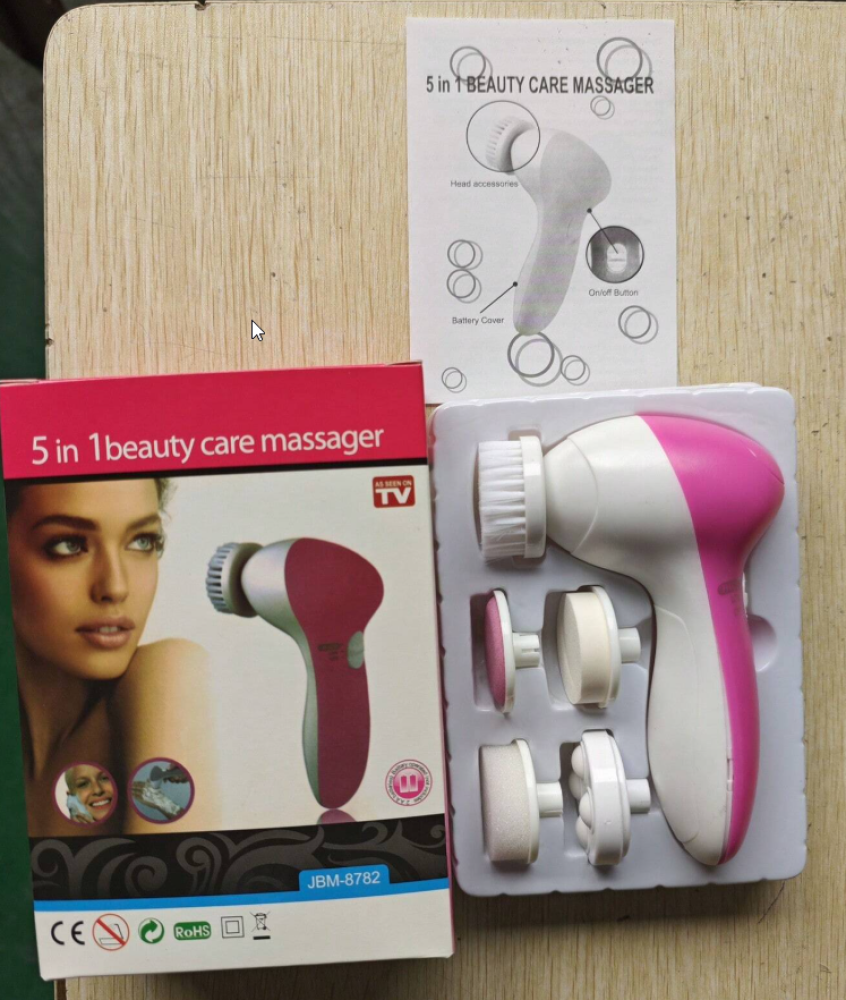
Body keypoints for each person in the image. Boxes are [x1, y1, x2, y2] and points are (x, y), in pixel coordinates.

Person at [6, 477, 214, 836]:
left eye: (142, 541)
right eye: (69, 545)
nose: (116, 587)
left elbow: (183, 869)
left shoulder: (165, 676)